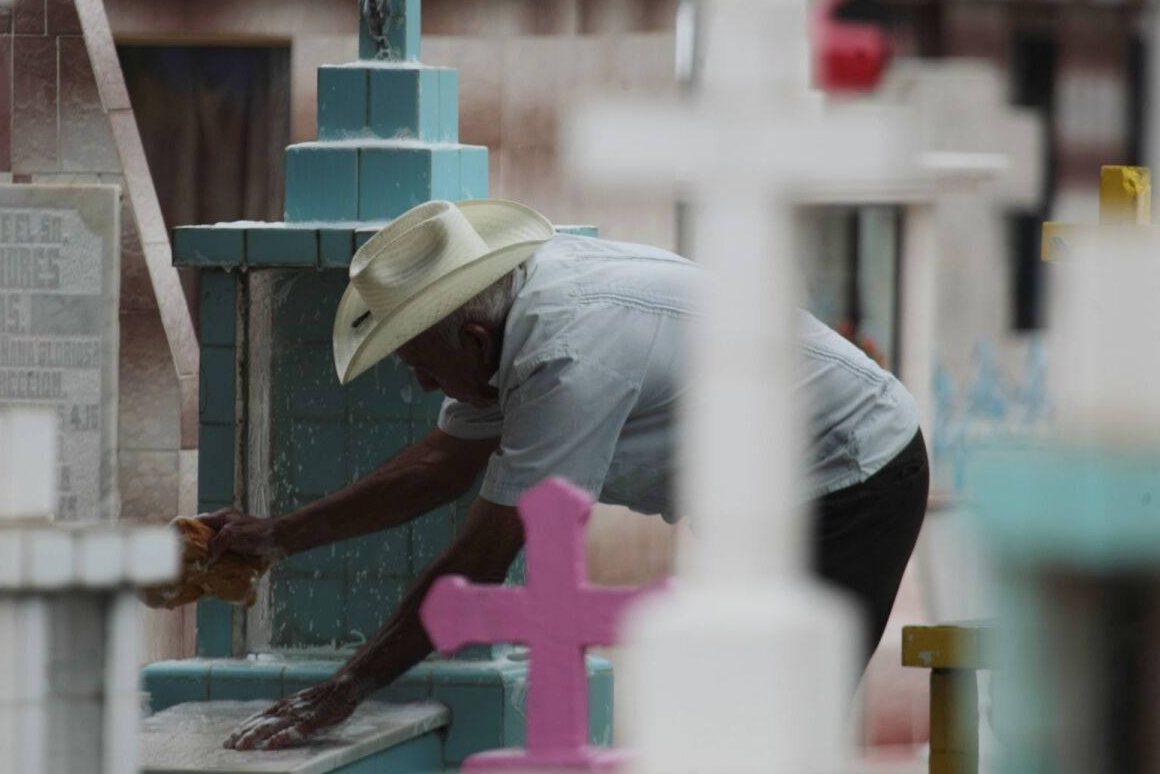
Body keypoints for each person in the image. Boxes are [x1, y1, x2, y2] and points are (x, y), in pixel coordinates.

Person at [202, 198, 929, 751]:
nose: (425, 388)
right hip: (763, 496)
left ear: (474, 339)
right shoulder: (509, 318)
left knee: (778, 728)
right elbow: (436, 465)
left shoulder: (568, 359)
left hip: (854, 476)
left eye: (423, 368)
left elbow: (482, 558)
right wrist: (276, 537)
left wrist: (342, 691)